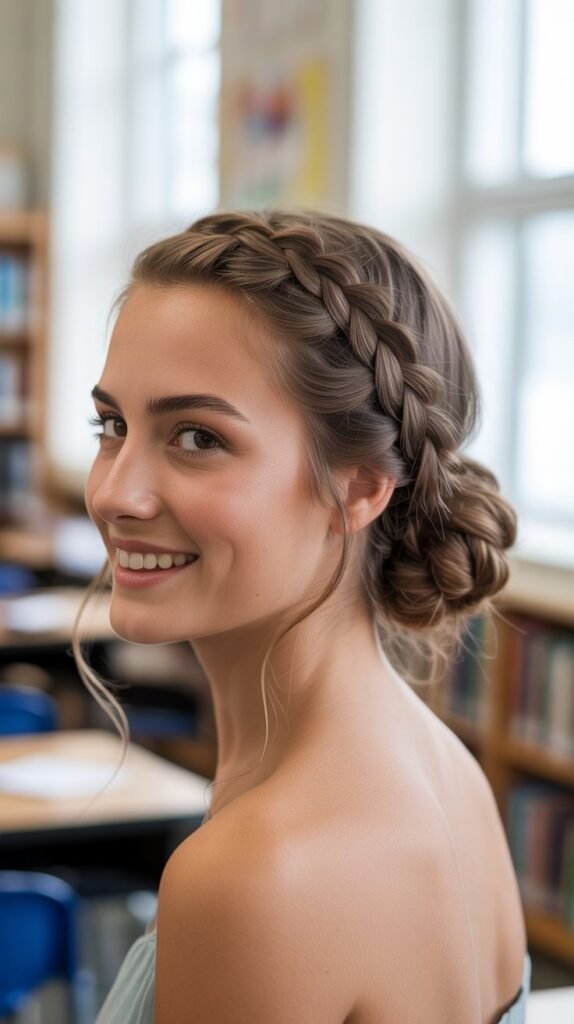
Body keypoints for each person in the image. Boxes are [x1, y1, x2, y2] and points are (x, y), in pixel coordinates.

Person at [75, 208, 530, 1023]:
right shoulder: (447, 770)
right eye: (112, 425)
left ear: (358, 487)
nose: (113, 493)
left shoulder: (256, 874)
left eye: (196, 437)